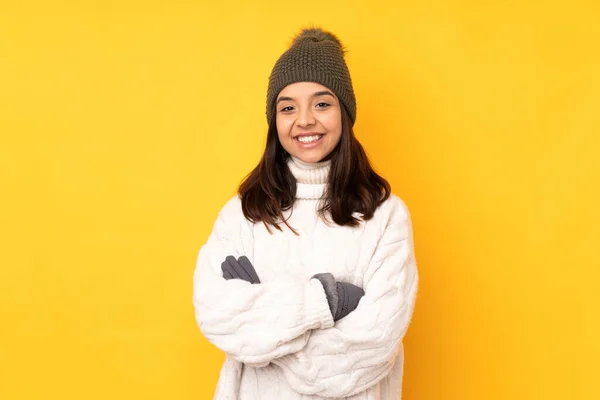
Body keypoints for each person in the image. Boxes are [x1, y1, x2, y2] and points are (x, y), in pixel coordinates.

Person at [193, 27, 419, 400]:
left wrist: (266, 338)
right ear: (274, 121)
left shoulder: (385, 217)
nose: (304, 120)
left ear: (344, 114)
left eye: (322, 103)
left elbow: (373, 346)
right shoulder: (243, 214)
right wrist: (327, 302)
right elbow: (218, 316)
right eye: (287, 107)